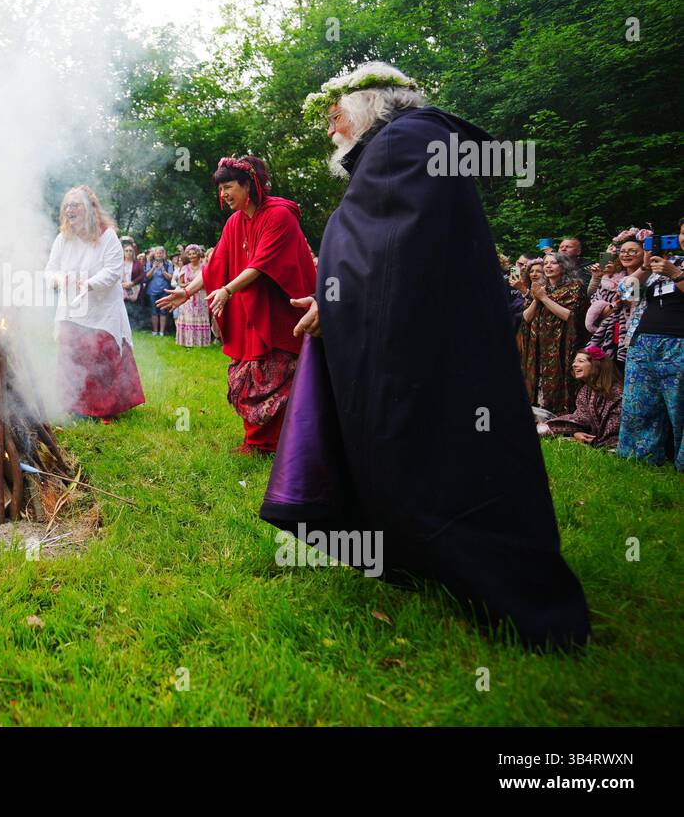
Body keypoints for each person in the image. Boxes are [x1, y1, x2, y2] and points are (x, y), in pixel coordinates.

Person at [265, 62, 589, 649]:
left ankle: (492, 580)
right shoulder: (409, 143)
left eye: (337, 109)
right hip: (422, 337)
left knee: (434, 456)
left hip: (425, 348)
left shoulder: (407, 143)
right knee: (416, 452)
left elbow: (395, 254)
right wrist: (338, 298)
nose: (330, 123)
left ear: (372, 104)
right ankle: (419, 557)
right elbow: (384, 253)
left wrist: (340, 302)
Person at [159, 156, 314, 454]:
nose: (223, 194)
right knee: (247, 375)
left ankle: (278, 444)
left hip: (280, 312)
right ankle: (257, 441)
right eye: (220, 189)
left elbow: (260, 264)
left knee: (276, 376)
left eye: (228, 186)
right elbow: (217, 263)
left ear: (249, 185)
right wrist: (187, 291)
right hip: (249, 314)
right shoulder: (234, 222)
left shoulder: (280, 215)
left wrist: (228, 290)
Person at [45, 185, 145, 420]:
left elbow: (114, 271)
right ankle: (74, 404)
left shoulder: (106, 236)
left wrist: (89, 284)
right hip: (72, 309)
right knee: (72, 356)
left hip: (102, 310)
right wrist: (59, 279)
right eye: (67, 205)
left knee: (100, 355)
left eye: (75, 205)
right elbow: (50, 270)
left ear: (89, 210)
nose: (70, 209)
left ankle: (102, 409)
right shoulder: (63, 238)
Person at [618, 218, 684, 471]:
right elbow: (626, 295)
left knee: (679, 407)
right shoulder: (666, 265)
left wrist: (676, 275)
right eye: (682, 233)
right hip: (644, 342)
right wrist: (645, 266)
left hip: (678, 343)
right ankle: (639, 458)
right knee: (639, 405)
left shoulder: (675, 268)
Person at [519, 252, 583, 414]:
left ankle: (560, 412)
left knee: (560, 375)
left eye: (553, 263)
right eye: (546, 263)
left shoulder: (574, 287)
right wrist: (536, 298)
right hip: (538, 342)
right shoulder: (540, 288)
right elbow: (526, 317)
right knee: (537, 374)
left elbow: (568, 315)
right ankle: (537, 410)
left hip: (560, 342)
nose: (548, 266)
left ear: (563, 266)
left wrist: (545, 298)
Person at [537, 347, 623, 449]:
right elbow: (581, 418)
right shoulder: (586, 390)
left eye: (581, 361)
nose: (574, 365)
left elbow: (614, 429)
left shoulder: (616, 392)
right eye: (574, 362)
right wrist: (576, 433)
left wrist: (594, 441)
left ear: (596, 365)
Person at [586, 230, 647, 364]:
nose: (626, 255)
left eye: (632, 251)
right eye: (623, 251)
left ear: (646, 253)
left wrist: (617, 304)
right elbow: (596, 305)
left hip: (639, 338)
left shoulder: (654, 278)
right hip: (610, 335)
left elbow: (631, 302)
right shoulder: (611, 279)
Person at [172, 244, 212, 347]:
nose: (192, 256)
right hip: (188, 296)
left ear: (199, 254)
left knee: (200, 316)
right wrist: (189, 285)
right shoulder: (185, 267)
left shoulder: (205, 267)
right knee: (188, 316)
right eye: (189, 254)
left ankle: (201, 342)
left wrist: (198, 286)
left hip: (201, 296)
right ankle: (186, 341)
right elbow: (180, 283)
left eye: (194, 253)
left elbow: (208, 282)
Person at [144, 246, 174, 337]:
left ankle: (161, 332)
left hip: (164, 290)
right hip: (152, 291)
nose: (159, 254)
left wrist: (163, 270)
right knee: (154, 311)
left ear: (164, 254)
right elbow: (147, 277)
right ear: (155, 254)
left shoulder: (168, 263)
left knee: (163, 311)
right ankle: (155, 331)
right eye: (157, 253)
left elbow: (170, 277)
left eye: (161, 252)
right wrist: (153, 268)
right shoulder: (149, 263)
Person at [120, 238, 148, 330]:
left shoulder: (137, 264)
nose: (128, 252)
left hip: (134, 289)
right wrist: (122, 284)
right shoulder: (119, 263)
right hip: (121, 288)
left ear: (133, 252)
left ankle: (133, 327)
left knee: (133, 308)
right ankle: (121, 326)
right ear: (123, 252)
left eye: (130, 251)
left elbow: (142, 275)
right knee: (122, 307)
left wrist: (132, 283)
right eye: (126, 251)